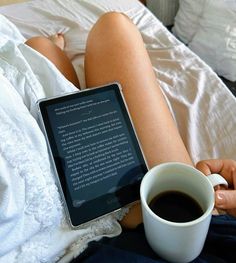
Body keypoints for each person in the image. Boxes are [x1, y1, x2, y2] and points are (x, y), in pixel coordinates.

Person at [25, 12, 236, 261]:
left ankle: (56, 56)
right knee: (113, 26)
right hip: (190, 234)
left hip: (84, 247)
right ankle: (60, 64)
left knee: (38, 49)